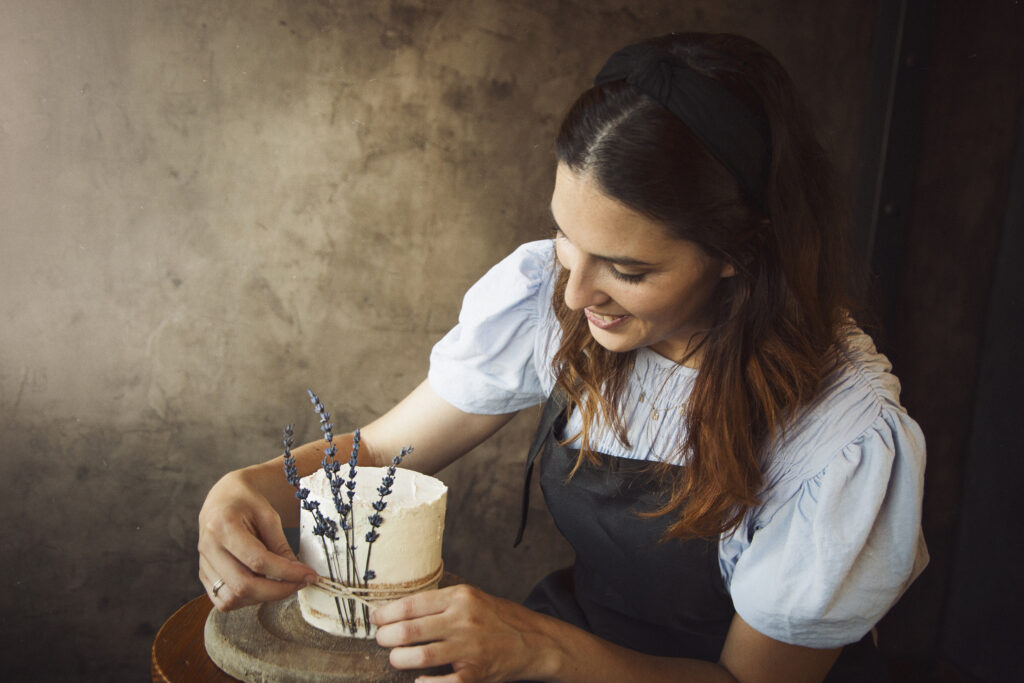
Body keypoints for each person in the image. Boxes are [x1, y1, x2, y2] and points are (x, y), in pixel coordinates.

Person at [197, 32, 927, 682]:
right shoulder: (553, 295)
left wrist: (539, 646)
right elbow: (386, 450)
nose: (576, 293)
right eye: (566, 239)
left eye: (627, 270)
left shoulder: (841, 438)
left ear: (741, 251)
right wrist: (255, 484)